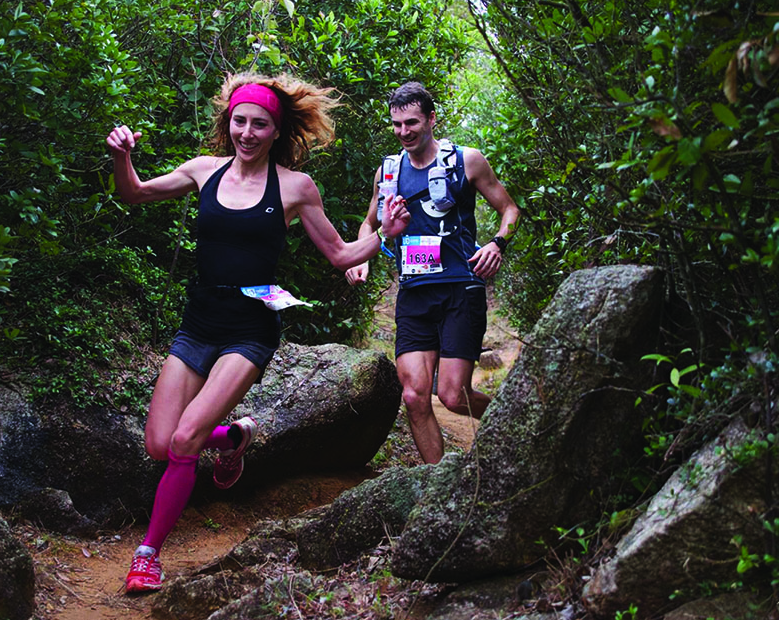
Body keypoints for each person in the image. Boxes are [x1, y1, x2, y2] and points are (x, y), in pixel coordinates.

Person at [105, 72, 411, 593]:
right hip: (199, 322)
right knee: (160, 443)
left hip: (250, 329)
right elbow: (133, 194)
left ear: (276, 131)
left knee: (183, 441)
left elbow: (340, 255)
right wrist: (121, 155)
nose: (247, 132)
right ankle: (235, 437)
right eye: (240, 121)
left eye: (259, 124)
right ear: (229, 122)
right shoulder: (203, 171)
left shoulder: (295, 187)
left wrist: (384, 235)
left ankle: (147, 554)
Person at [346, 81, 519, 465]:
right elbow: (368, 223)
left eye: (411, 123)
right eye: (396, 124)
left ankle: (517, 424)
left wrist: (497, 244)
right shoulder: (388, 171)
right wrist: (363, 257)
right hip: (414, 293)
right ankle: (434, 486)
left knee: (453, 396)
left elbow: (510, 210)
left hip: (460, 289)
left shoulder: (466, 161)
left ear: (431, 119)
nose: (403, 132)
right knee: (413, 395)